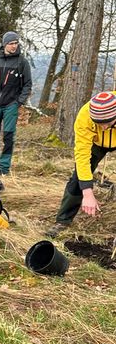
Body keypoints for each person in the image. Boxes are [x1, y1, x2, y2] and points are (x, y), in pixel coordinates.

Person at [46, 91, 116, 238]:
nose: (102, 127)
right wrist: (88, 192)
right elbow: (82, 157)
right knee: (78, 179)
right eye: (98, 124)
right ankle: (63, 221)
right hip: (96, 143)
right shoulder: (85, 115)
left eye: (106, 123)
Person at [0, 31, 32, 175]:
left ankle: (4, 167)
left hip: (11, 104)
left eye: (16, 43)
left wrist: (19, 101)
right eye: (11, 43)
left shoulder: (22, 62)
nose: (14, 46)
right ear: (4, 44)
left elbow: (27, 84)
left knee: (8, 135)